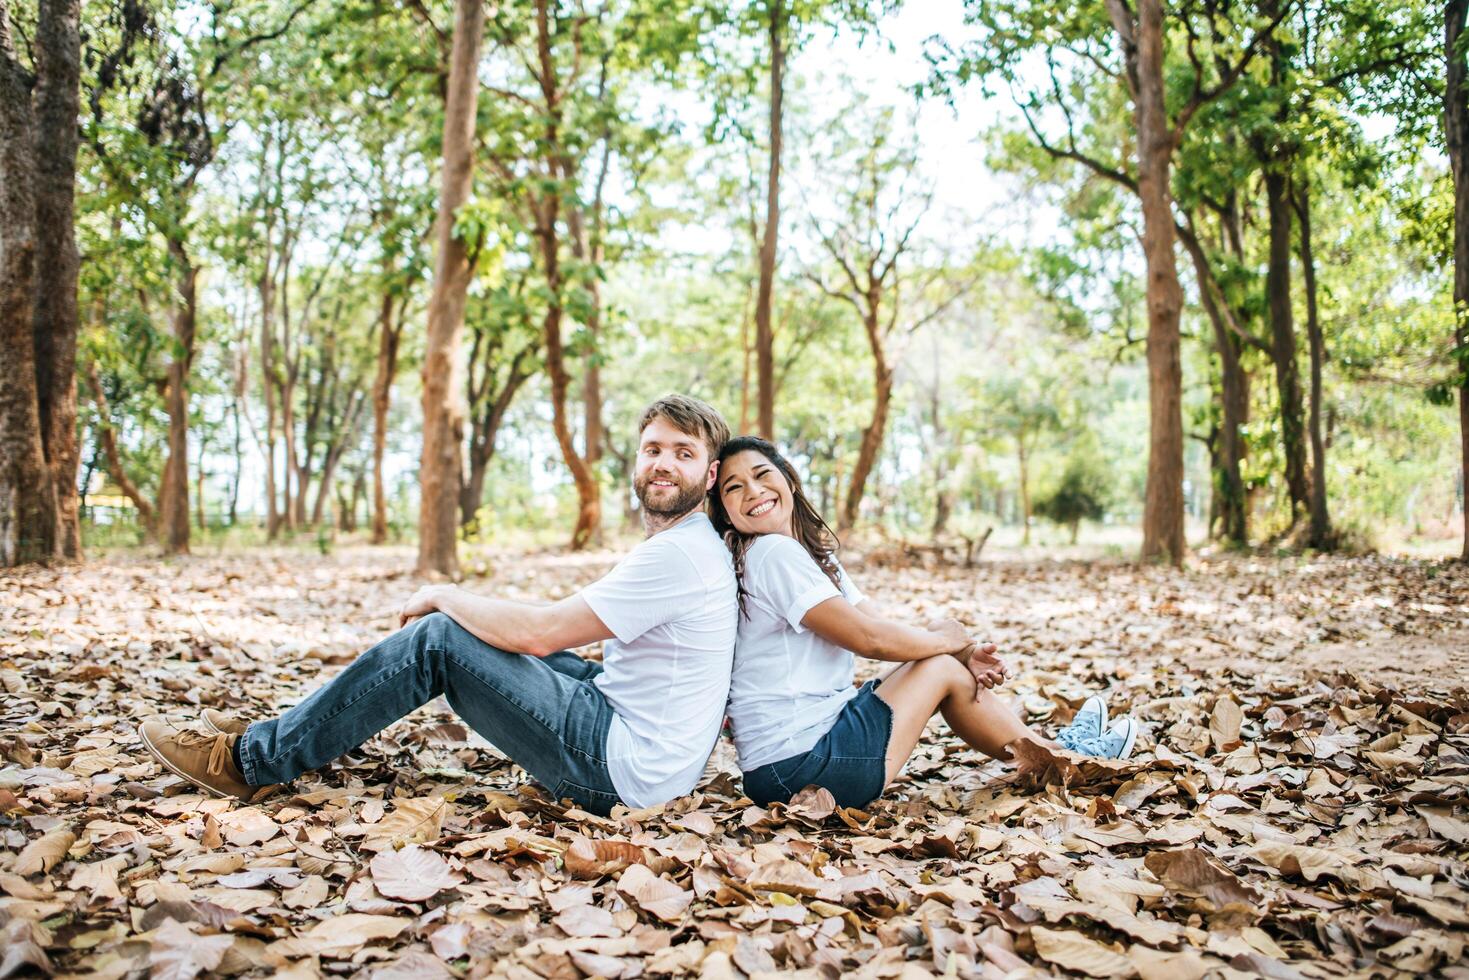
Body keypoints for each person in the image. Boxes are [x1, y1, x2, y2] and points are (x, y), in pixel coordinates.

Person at [138, 395, 738, 816]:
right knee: (502, 641)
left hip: (619, 771)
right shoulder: (686, 545)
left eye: (682, 453)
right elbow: (553, 624)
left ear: (708, 476)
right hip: (639, 744)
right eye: (653, 448)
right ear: (636, 459)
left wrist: (445, 595)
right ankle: (281, 732)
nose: (662, 463)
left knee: (439, 642)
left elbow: (543, 633)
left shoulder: (679, 555)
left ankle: (250, 762)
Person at [708, 435, 1137, 810]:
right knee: (941, 666)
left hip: (798, 758)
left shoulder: (805, 554)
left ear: (788, 479)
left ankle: (1055, 753)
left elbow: (880, 622)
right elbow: (869, 639)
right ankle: (1068, 764)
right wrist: (949, 645)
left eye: (763, 475)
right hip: (799, 768)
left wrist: (959, 646)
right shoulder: (770, 554)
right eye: (734, 487)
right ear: (725, 511)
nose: (753, 491)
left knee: (940, 654)